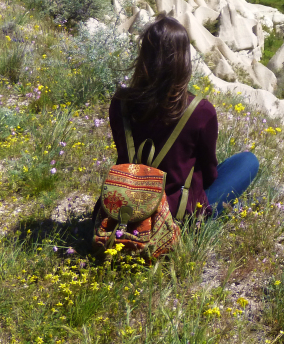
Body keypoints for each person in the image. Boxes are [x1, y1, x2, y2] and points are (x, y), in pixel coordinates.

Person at [108, 15, 259, 218]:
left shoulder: (120, 102)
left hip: (125, 207)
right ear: (183, 60)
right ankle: (208, 220)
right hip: (173, 216)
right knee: (247, 161)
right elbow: (209, 175)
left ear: (144, 56)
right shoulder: (200, 111)